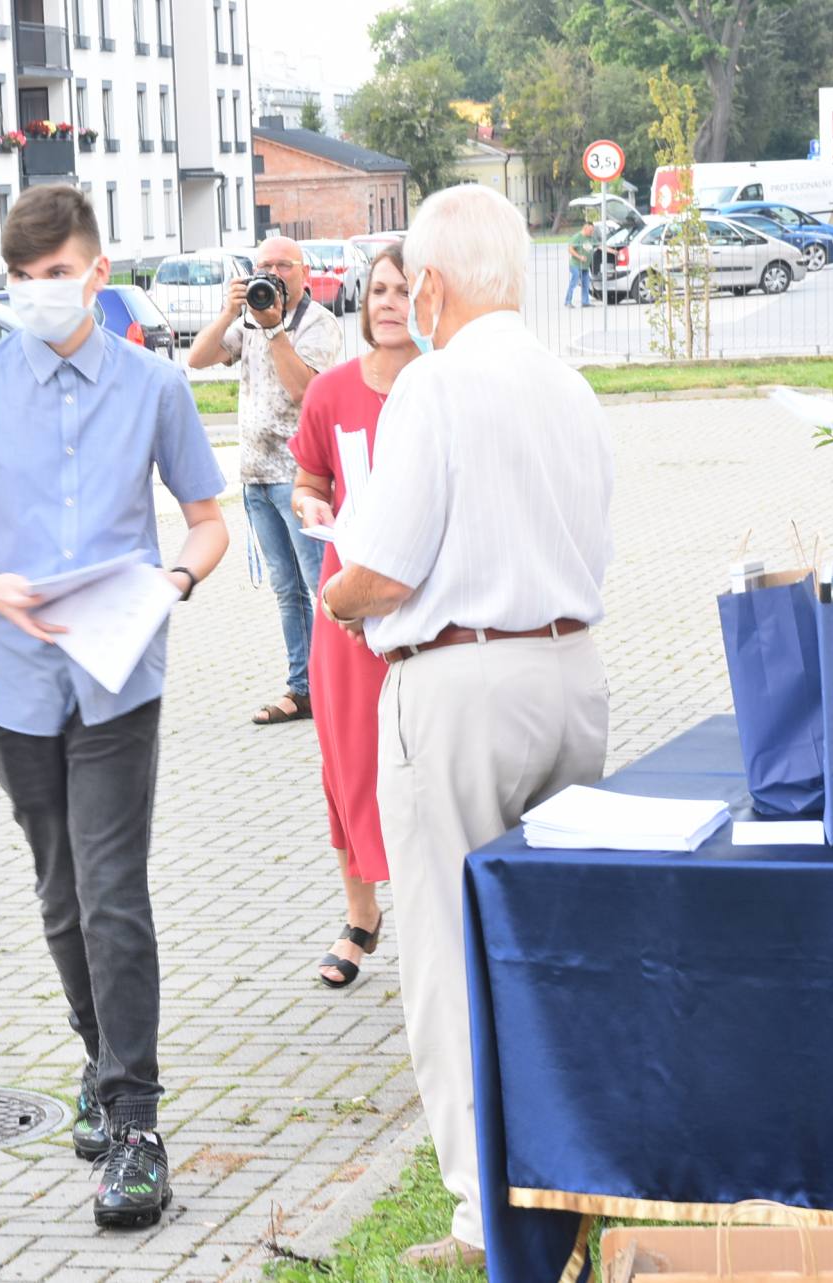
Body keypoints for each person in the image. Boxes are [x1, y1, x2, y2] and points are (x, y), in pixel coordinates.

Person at [0, 185, 229, 1228]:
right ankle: (101, 1060)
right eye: (20, 278)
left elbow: (207, 521)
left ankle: (136, 1123)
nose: (37, 294)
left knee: (111, 889)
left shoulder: (151, 386)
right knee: (59, 890)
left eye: (55, 275)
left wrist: (170, 585)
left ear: (97, 272)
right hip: (8, 676)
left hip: (118, 669)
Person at [318, 184, 613, 1271]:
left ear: (429, 287)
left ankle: (484, 1216)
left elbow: (383, 567)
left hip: (462, 680)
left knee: (447, 948)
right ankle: (573, 1181)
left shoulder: (435, 386)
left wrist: (335, 595)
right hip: (571, 666)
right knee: (556, 943)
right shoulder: (571, 384)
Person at [287, 243, 415, 989]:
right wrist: (311, 503)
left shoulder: (441, 385)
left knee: (420, 754)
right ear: (363, 305)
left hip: (419, 594)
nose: (389, 302)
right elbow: (308, 480)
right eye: (377, 291)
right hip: (345, 595)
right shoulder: (330, 391)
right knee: (347, 760)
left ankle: (437, 906)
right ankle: (360, 912)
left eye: (402, 289)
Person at [188, 235, 344, 725]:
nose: (273, 273)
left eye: (282, 264)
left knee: (320, 586)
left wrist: (275, 329)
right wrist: (226, 313)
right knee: (286, 589)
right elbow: (196, 358)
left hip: (301, 481)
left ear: (301, 272)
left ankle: (336, 683)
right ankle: (303, 689)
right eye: (263, 265)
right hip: (255, 477)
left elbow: (306, 392)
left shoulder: (319, 325)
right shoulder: (248, 321)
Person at [566, 217, 597, 308]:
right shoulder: (577, 237)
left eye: (593, 231)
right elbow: (570, 249)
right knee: (574, 282)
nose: (592, 232)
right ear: (585, 228)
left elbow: (599, 246)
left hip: (585, 266)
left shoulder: (591, 238)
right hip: (575, 265)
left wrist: (613, 250)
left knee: (586, 283)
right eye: (590, 230)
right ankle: (568, 301)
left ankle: (585, 302)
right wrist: (579, 257)